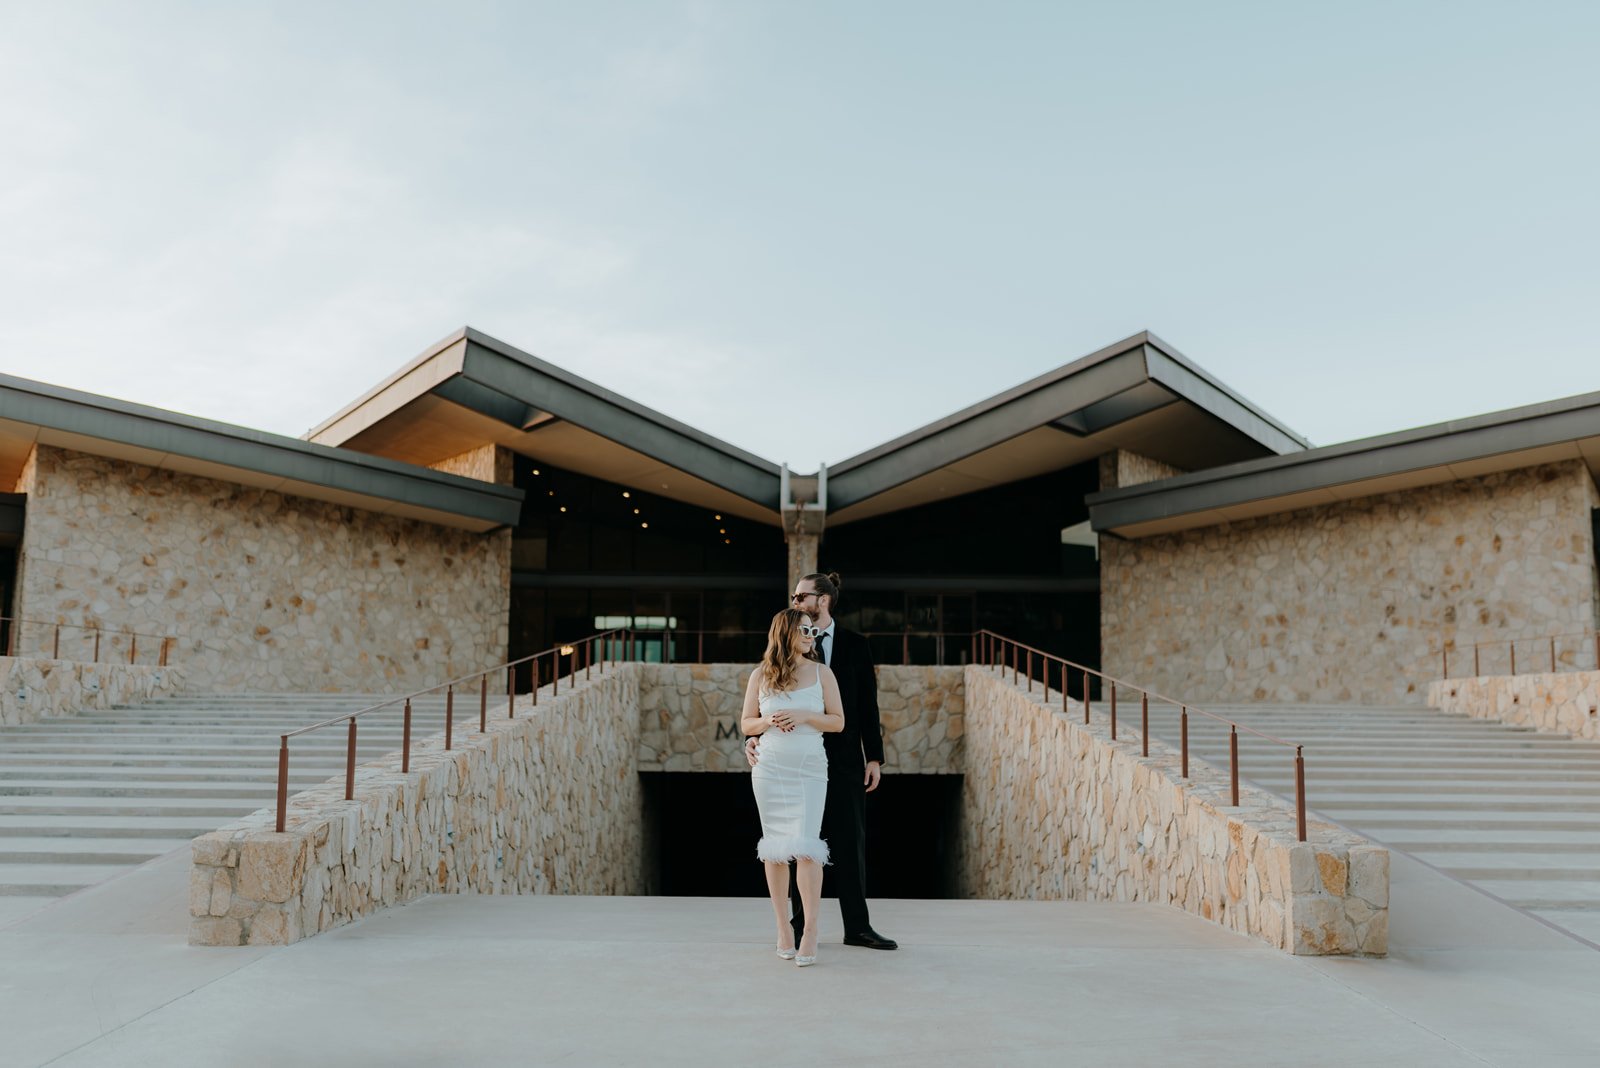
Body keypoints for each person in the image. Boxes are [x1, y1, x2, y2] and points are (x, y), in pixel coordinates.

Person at [747, 572, 898, 952]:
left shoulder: (855, 645)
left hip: (843, 761)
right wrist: (753, 738)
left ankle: (858, 927)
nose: (796, 602)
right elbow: (763, 709)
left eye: (801, 597)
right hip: (788, 759)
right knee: (798, 842)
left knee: (850, 843)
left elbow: (867, 706)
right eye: (795, 598)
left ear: (823, 600)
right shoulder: (781, 654)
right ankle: (797, 928)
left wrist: (874, 756)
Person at [740, 607, 845, 966]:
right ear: (785, 632)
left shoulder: (822, 673)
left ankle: (811, 930)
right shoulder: (761, 675)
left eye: (812, 631)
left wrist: (803, 716)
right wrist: (766, 720)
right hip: (770, 769)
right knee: (773, 848)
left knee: (807, 847)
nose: (810, 635)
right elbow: (746, 723)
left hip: (809, 768)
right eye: (803, 630)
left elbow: (838, 722)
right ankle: (783, 928)